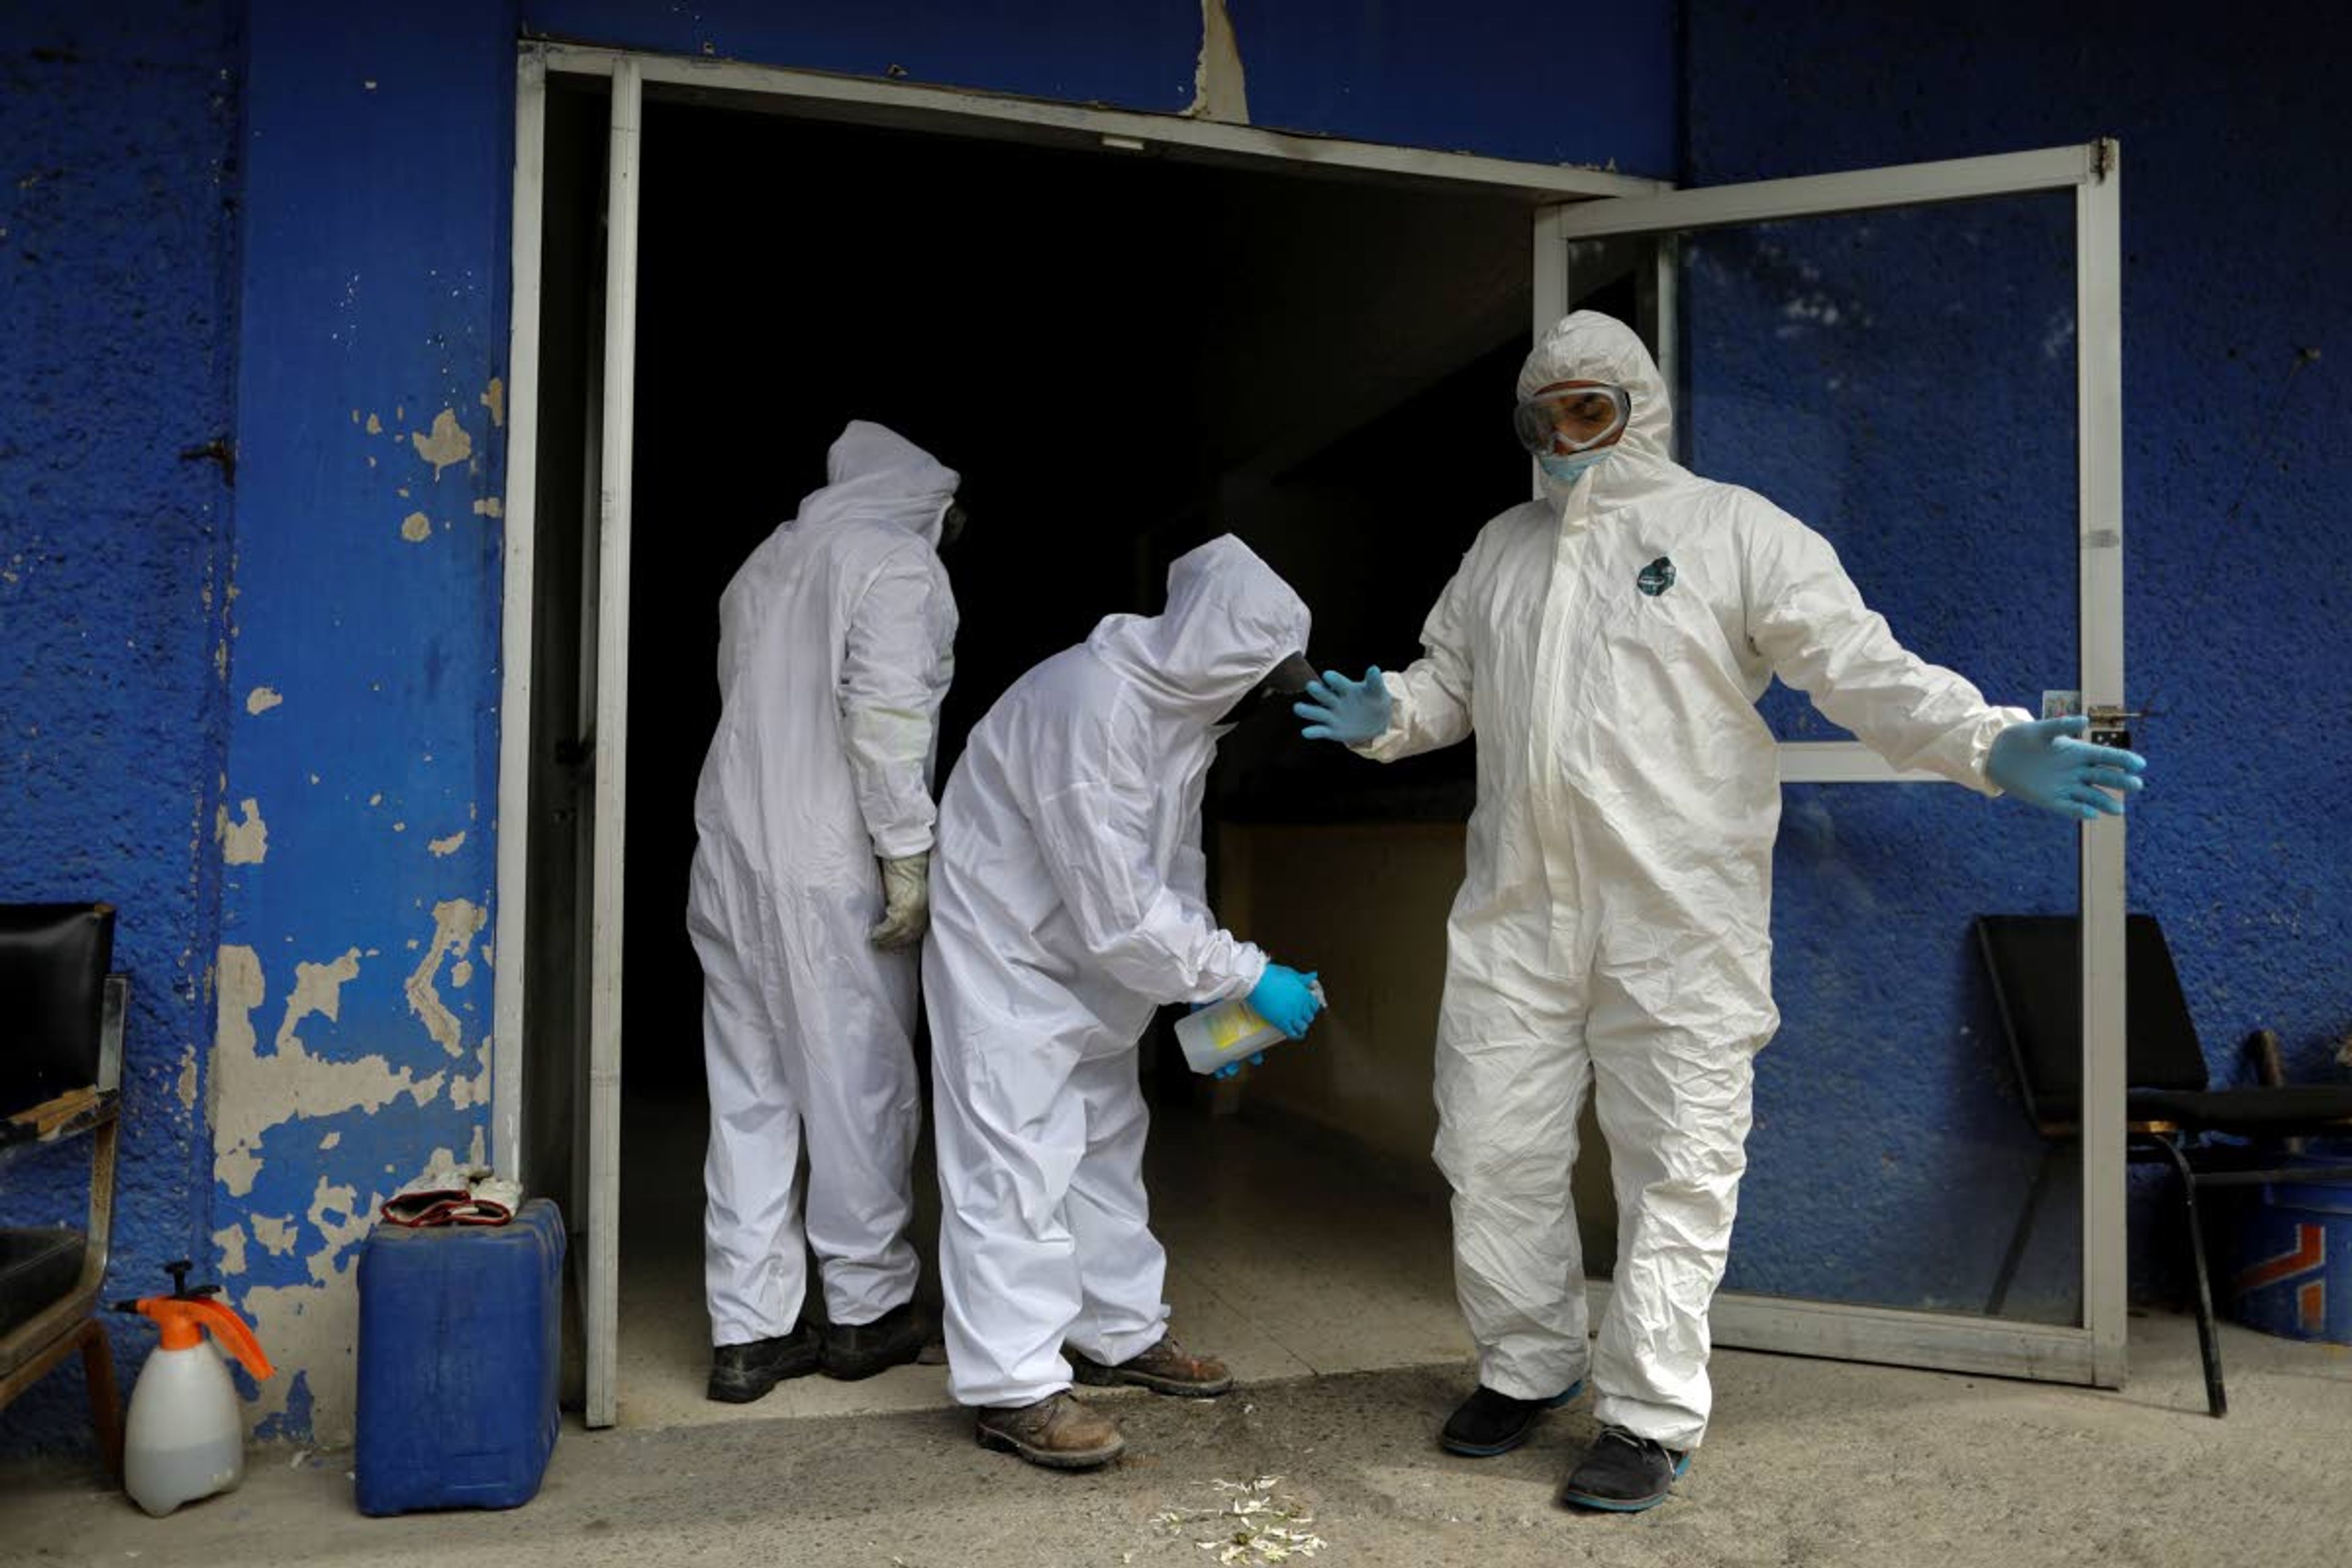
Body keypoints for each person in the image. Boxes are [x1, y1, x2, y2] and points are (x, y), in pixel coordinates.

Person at [1295, 312, 2148, 1512]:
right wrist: (1390, 712)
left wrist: (1990, 739)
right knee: (1490, 1147)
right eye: (1545, 416)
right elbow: (1454, 682)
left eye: (1591, 408)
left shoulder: (1732, 530)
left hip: (1676, 914)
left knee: (1677, 1162)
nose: (1566, 435)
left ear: (1640, 406)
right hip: (1517, 914)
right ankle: (1531, 1365)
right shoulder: (1501, 547)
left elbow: (1860, 664)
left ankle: (1648, 1412)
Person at [925, 533, 1327, 1470]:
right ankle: (1012, 1387)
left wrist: (1213, 1009)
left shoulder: (1181, 717)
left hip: (1096, 962)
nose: (1257, 703)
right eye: (1257, 680)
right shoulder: (1091, 702)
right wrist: (1239, 973)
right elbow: (1117, 904)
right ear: (1215, 655)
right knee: (1013, 1162)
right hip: (1010, 953)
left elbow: (1167, 877)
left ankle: (1120, 1330)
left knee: (1105, 1143)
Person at [687, 420, 965, 1401]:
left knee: (751, 1090)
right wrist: (908, 855)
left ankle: (751, 1332)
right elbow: (888, 717)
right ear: (920, 496)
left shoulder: (764, 564)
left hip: (729, 853)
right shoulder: (893, 561)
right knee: (858, 1079)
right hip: (829, 859)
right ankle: (867, 1310)